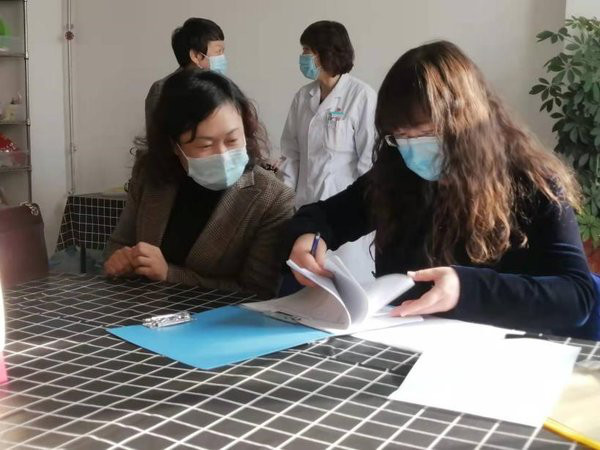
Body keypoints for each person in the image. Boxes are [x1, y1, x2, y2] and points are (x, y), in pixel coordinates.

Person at [286, 40, 596, 335]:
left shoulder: (531, 184)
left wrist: (465, 288)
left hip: (499, 350)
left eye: (426, 134)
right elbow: (327, 215)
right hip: (402, 344)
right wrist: (309, 237)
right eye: (400, 136)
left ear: (468, 124)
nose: (411, 148)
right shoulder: (397, 174)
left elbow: (577, 297)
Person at [106, 68, 294, 298]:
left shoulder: (271, 199)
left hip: (218, 319)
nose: (222, 155)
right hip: (145, 311)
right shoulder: (151, 176)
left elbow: (257, 292)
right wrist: (121, 261)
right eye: (205, 145)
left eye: (232, 140)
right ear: (175, 146)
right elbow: (118, 245)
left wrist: (170, 274)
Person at [280, 20, 377, 284]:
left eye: (307, 50)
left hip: (345, 215)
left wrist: (363, 208)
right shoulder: (303, 97)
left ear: (326, 52)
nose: (303, 57)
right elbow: (291, 153)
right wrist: (285, 201)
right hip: (307, 210)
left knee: (348, 287)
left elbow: (368, 162)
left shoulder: (361, 96)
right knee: (308, 285)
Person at [145, 18, 226, 129]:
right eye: (218, 51)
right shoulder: (162, 90)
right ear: (196, 56)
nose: (222, 57)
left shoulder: (221, 87)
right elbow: (157, 135)